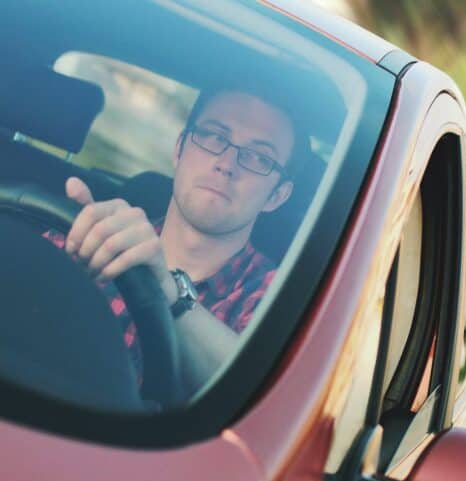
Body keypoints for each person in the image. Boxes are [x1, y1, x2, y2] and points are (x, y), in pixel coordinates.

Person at [48, 87, 308, 395]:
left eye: (259, 157)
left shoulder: (284, 302)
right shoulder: (94, 233)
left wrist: (169, 292)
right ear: (180, 149)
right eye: (214, 137)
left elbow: (261, 399)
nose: (227, 163)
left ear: (277, 195)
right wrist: (61, 269)